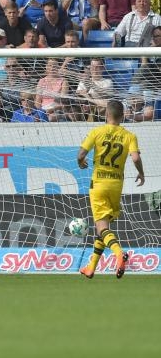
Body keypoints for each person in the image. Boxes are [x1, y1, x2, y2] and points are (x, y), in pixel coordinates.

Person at [77, 99, 144, 279]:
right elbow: (136, 158)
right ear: (122, 117)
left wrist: (80, 161)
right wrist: (141, 174)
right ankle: (91, 267)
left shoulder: (96, 132)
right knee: (103, 228)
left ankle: (118, 254)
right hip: (116, 185)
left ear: (106, 115)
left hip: (98, 184)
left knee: (101, 228)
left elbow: (81, 154)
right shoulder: (129, 135)